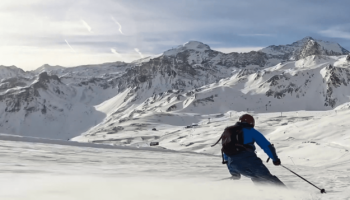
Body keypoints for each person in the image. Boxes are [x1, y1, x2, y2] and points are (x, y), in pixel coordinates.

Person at [213, 114, 285, 186]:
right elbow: (266, 146)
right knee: (269, 179)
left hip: (234, 165)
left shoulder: (229, 132)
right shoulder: (250, 130)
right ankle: (288, 195)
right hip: (250, 161)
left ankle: (266, 195)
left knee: (257, 179)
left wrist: (234, 172)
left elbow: (227, 152)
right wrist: (275, 159)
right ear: (251, 122)